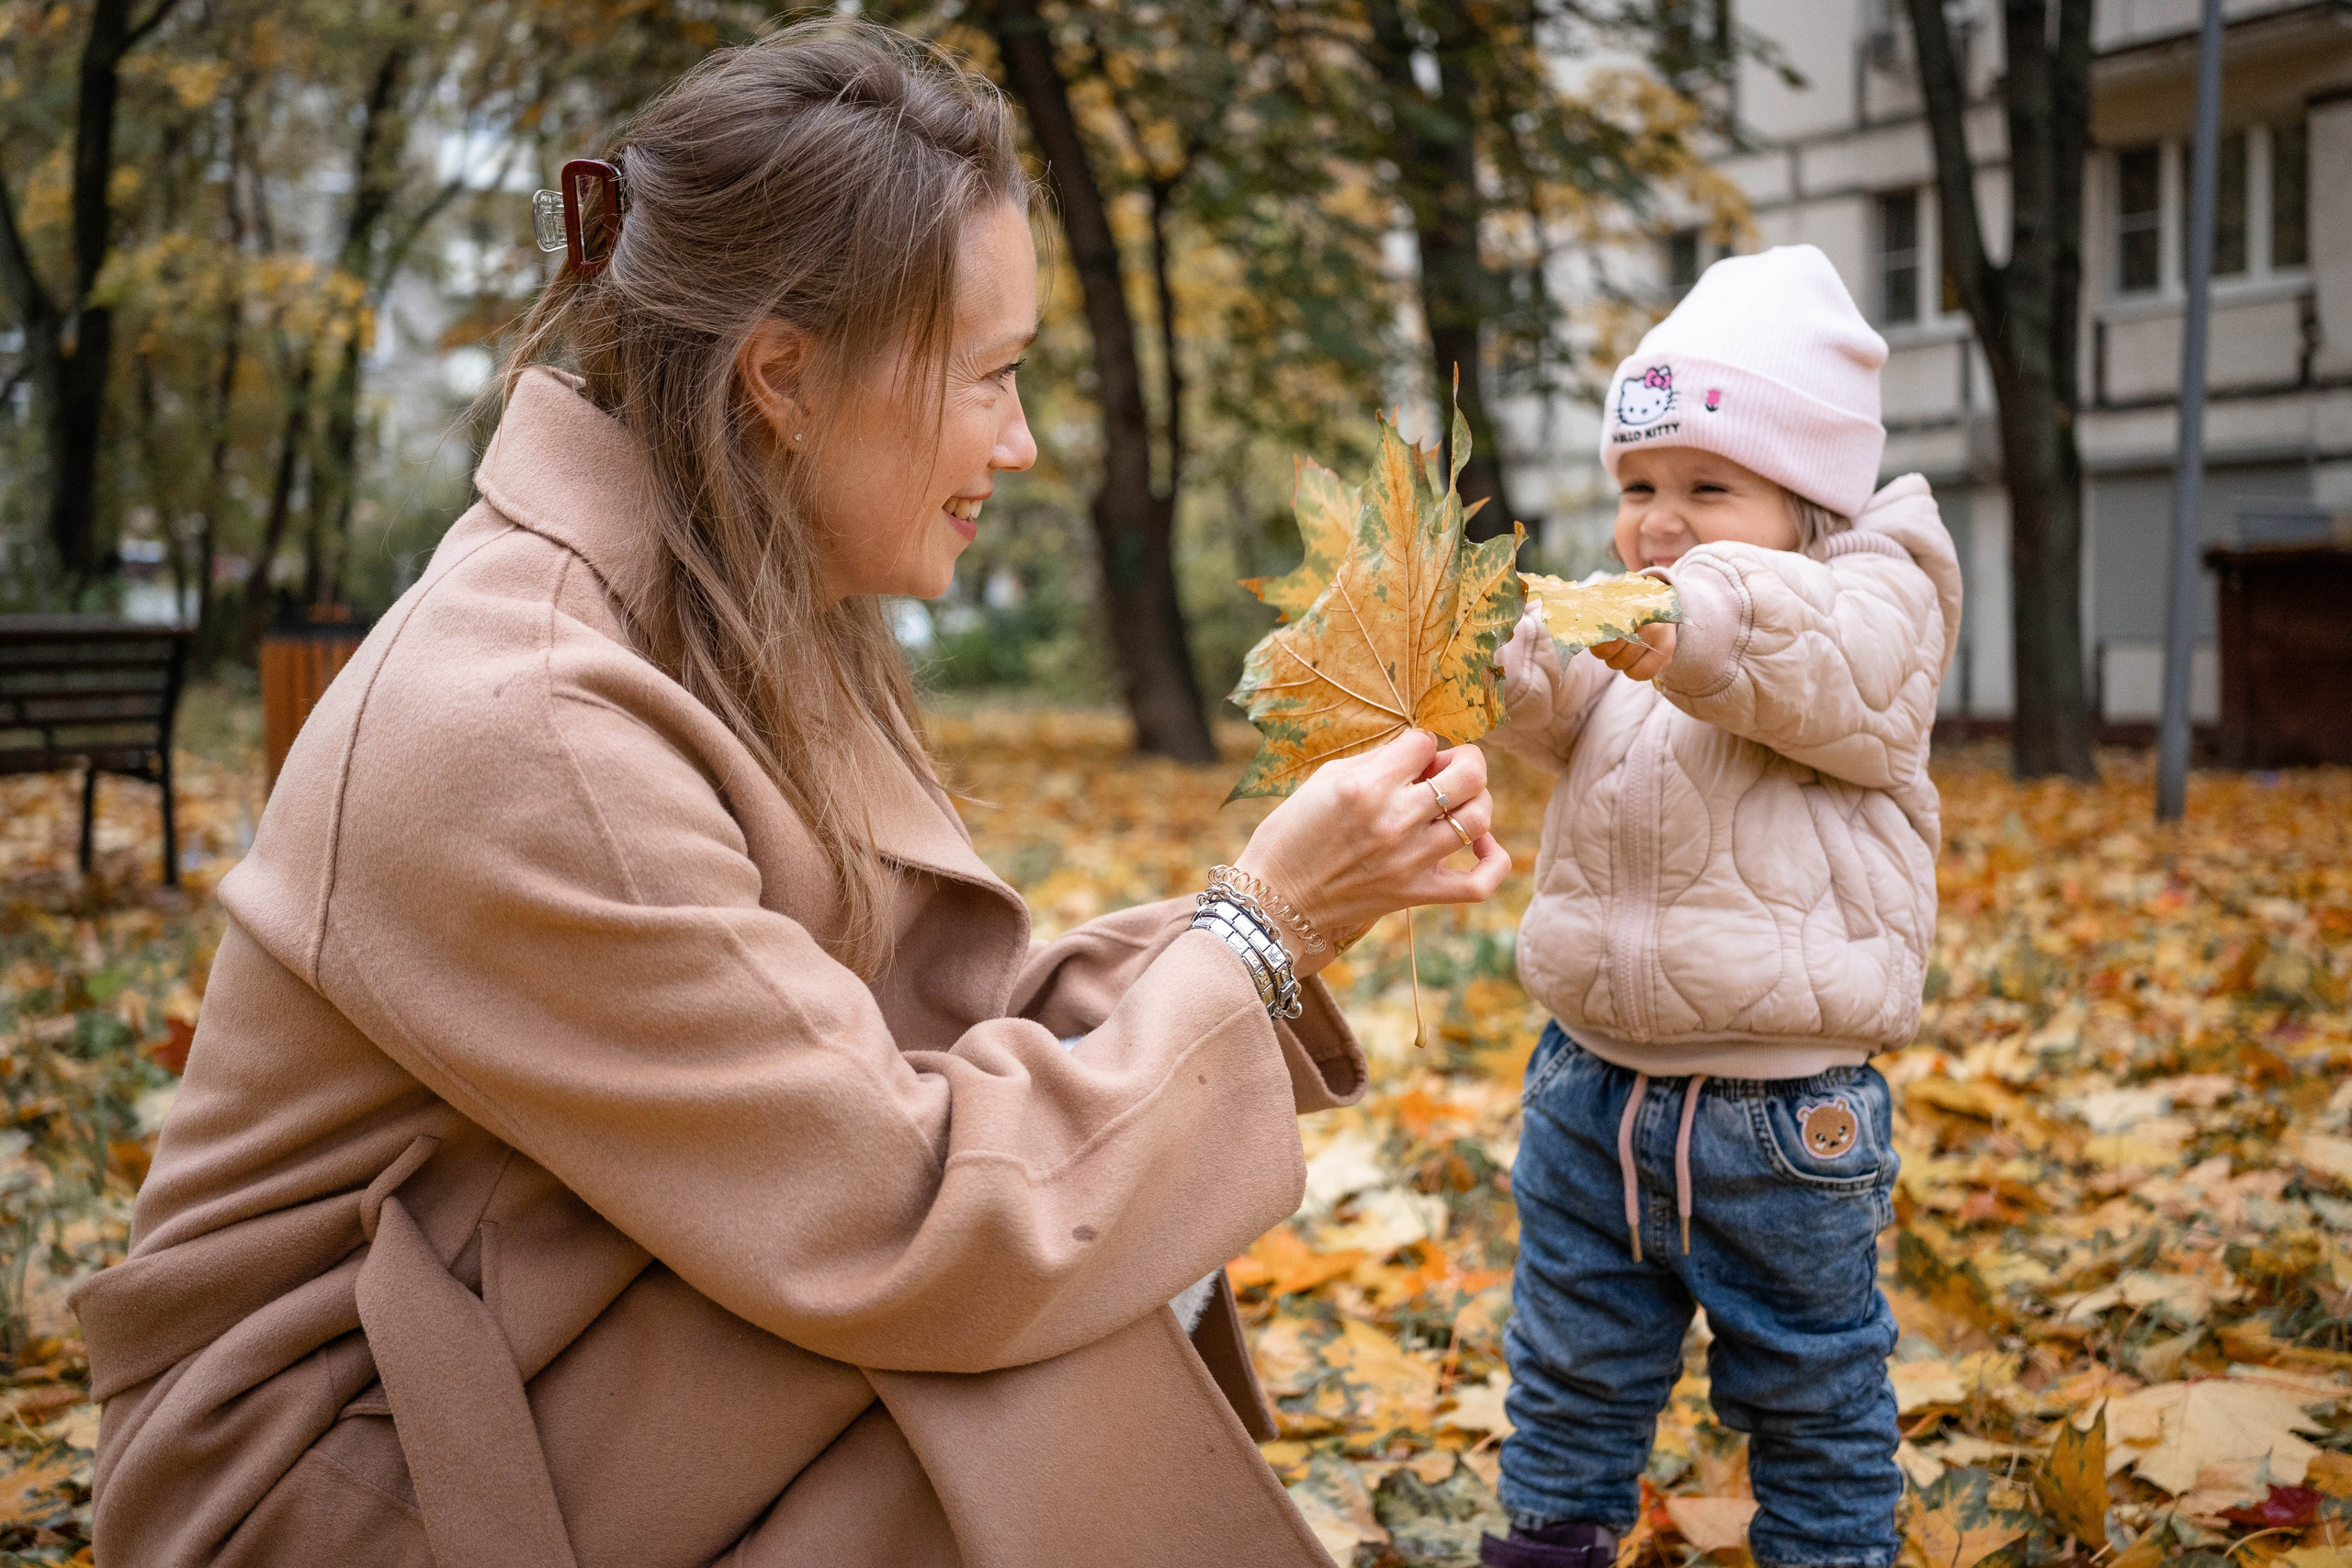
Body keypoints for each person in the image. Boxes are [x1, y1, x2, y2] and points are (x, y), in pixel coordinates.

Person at [73, 23, 1510, 1568]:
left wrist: (1301, 911)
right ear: (784, 377)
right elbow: (912, 1213)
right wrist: (1258, 929)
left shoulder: (735, 594)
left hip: (553, 1323)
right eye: (991, 377)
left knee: (1055, 1271)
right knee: (1016, 1329)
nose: (1022, 441)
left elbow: (915, 1041)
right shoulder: (535, 718)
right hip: (331, 1475)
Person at [1479, 245, 1962, 1568]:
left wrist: (1690, 622)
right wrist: (1511, 665)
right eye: (1638, 487)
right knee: (1566, 1371)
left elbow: (1820, 657)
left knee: (1811, 1394)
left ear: (1808, 499)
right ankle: (1550, 1543)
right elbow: (1561, 714)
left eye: (1707, 487)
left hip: (1781, 1123)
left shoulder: (1878, 597)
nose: (1659, 520)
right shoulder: (1647, 627)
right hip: (1589, 1092)